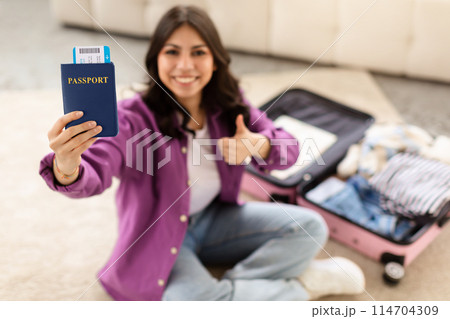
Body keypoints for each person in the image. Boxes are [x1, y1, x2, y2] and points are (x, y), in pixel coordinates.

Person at [40, 5, 365, 301]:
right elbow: (96, 170)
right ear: (156, 60)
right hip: (161, 232)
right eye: (172, 52)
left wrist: (260, 145)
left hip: (216, 219)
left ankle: (229, 293)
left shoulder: (228, 105)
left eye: (198, 52)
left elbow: (290, 149)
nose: (185, 66)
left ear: (215, 60)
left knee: (310, 227)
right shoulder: (130, 117)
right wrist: (68, 165)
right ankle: (299, 287)